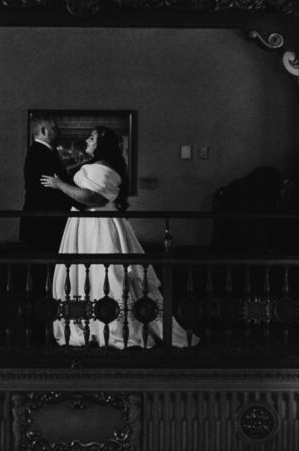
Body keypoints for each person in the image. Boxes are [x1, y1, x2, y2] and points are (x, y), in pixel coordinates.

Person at [45, 128, 194, 350]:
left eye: (92, 137)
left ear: (102, 144)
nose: (87, 140)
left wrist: (59, 185)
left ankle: (113, 330)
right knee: (88, 278)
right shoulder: (100, 166)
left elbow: (92, 198)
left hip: (97, 228)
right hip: (85, 226)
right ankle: (91, 327)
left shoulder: (102, 169)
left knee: (106, 277)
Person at [19, 119, 73, 254]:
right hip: (44, 222)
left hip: (44, 219)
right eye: (55, 128)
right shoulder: (40, 153)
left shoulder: (41, 151)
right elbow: (51, 188)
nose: (59, 132)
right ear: (44, 131)